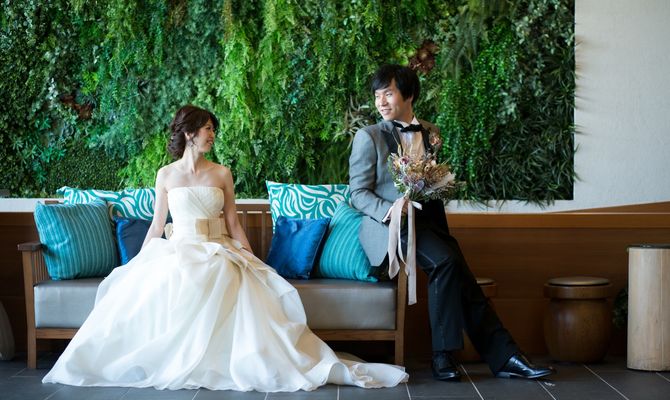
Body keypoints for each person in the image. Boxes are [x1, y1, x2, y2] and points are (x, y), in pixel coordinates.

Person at [42, 105, 408, 391]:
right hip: (179, 249)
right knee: (166, 281)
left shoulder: (221, 173)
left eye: (213, 129)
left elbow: (233, 223)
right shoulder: (166, 174)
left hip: (218, 248)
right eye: (207, 129)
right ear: (189, 133)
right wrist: (137, 264)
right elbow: (156, 224)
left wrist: (252, 258)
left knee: (224, 272)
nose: (212, 135)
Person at [349, 64, 556, 381]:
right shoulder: (370, 137)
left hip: (430, 224)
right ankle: (444, 357)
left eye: (388, 94)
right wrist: (391, 210)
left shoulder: (431, 132)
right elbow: (357, 194)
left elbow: (433, 183)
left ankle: (507, 358)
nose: (381, 102)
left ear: (409, 95)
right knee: (446, 262)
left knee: (465, 281)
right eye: (377, 96)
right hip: (390, 226)